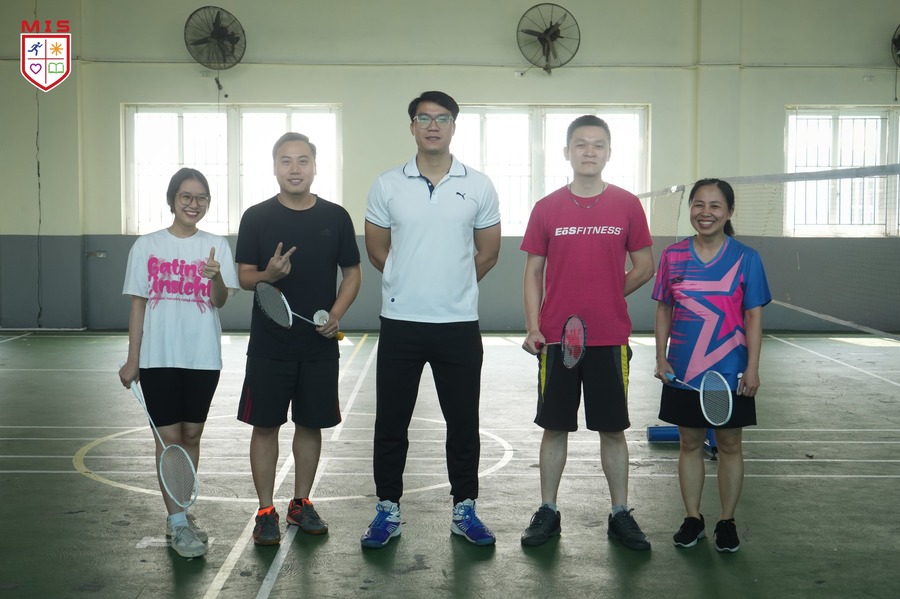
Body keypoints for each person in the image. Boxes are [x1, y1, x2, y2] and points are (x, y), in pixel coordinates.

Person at [361, 91, 501, 548]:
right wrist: (409, 281)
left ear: (454, 126)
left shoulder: (478, 185)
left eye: (442, 118)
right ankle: (388, 509)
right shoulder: (387, 184)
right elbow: (377, 249)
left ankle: (465, 509)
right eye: (424, 118)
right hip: (400, 322)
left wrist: (452, 286)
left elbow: (489, 253)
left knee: (463, 423)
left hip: (458, 324)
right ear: (412, 127)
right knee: (391, 423)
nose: (433, 125)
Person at [519, 115, 656, 550]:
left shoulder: (627, 205)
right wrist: (533, 326)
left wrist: (610, 292)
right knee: (554, 427)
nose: (589, 151)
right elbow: (533, 272)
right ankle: (548, 510)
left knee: (612, 430)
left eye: (598, 144)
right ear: (567, 152)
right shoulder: (546, 208)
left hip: (610, 339)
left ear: (609, 152)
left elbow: (645, 265)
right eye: (581, 144)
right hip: (557, 341)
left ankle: (620, 513)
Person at [235, 132, 361, 546]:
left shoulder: (336, 217)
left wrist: (337, 314)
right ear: (274, 167)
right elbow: (244, 277)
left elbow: (353, 273)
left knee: (310, 425)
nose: (295, 168)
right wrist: (268, 275)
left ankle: (301, 503)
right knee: (265, 426)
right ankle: (265, 510)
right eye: (286, 161)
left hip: (318, 346)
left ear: (315, 166)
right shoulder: (256, 217)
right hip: (269, 346)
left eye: (303, 160)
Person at [119, 167, 239, 559]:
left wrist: (215, 278)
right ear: (172, 200)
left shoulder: (216, 245)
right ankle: (177, 521)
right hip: (159, 358)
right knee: (167, 440)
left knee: (192, 436)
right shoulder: (147, 246)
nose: (194, 203)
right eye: (186, 196)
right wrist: (133, 358)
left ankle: (182, 513)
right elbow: (138, 304)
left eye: (202, 197)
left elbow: (220, 301)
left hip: (202, 357)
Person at [652, 178, 770, 553]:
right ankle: (693, 518)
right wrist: (661, 357)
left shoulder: (747, 258)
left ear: (729, 212)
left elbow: (753, 316)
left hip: (730, 371)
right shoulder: (672, 256)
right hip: (685, 370)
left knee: (730, 444)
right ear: (691, 209)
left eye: (715, 205)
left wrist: (753, 367)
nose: (706, 213)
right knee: (689, 443)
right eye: (698, 204)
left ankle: (727, 521)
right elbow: (664, 308)